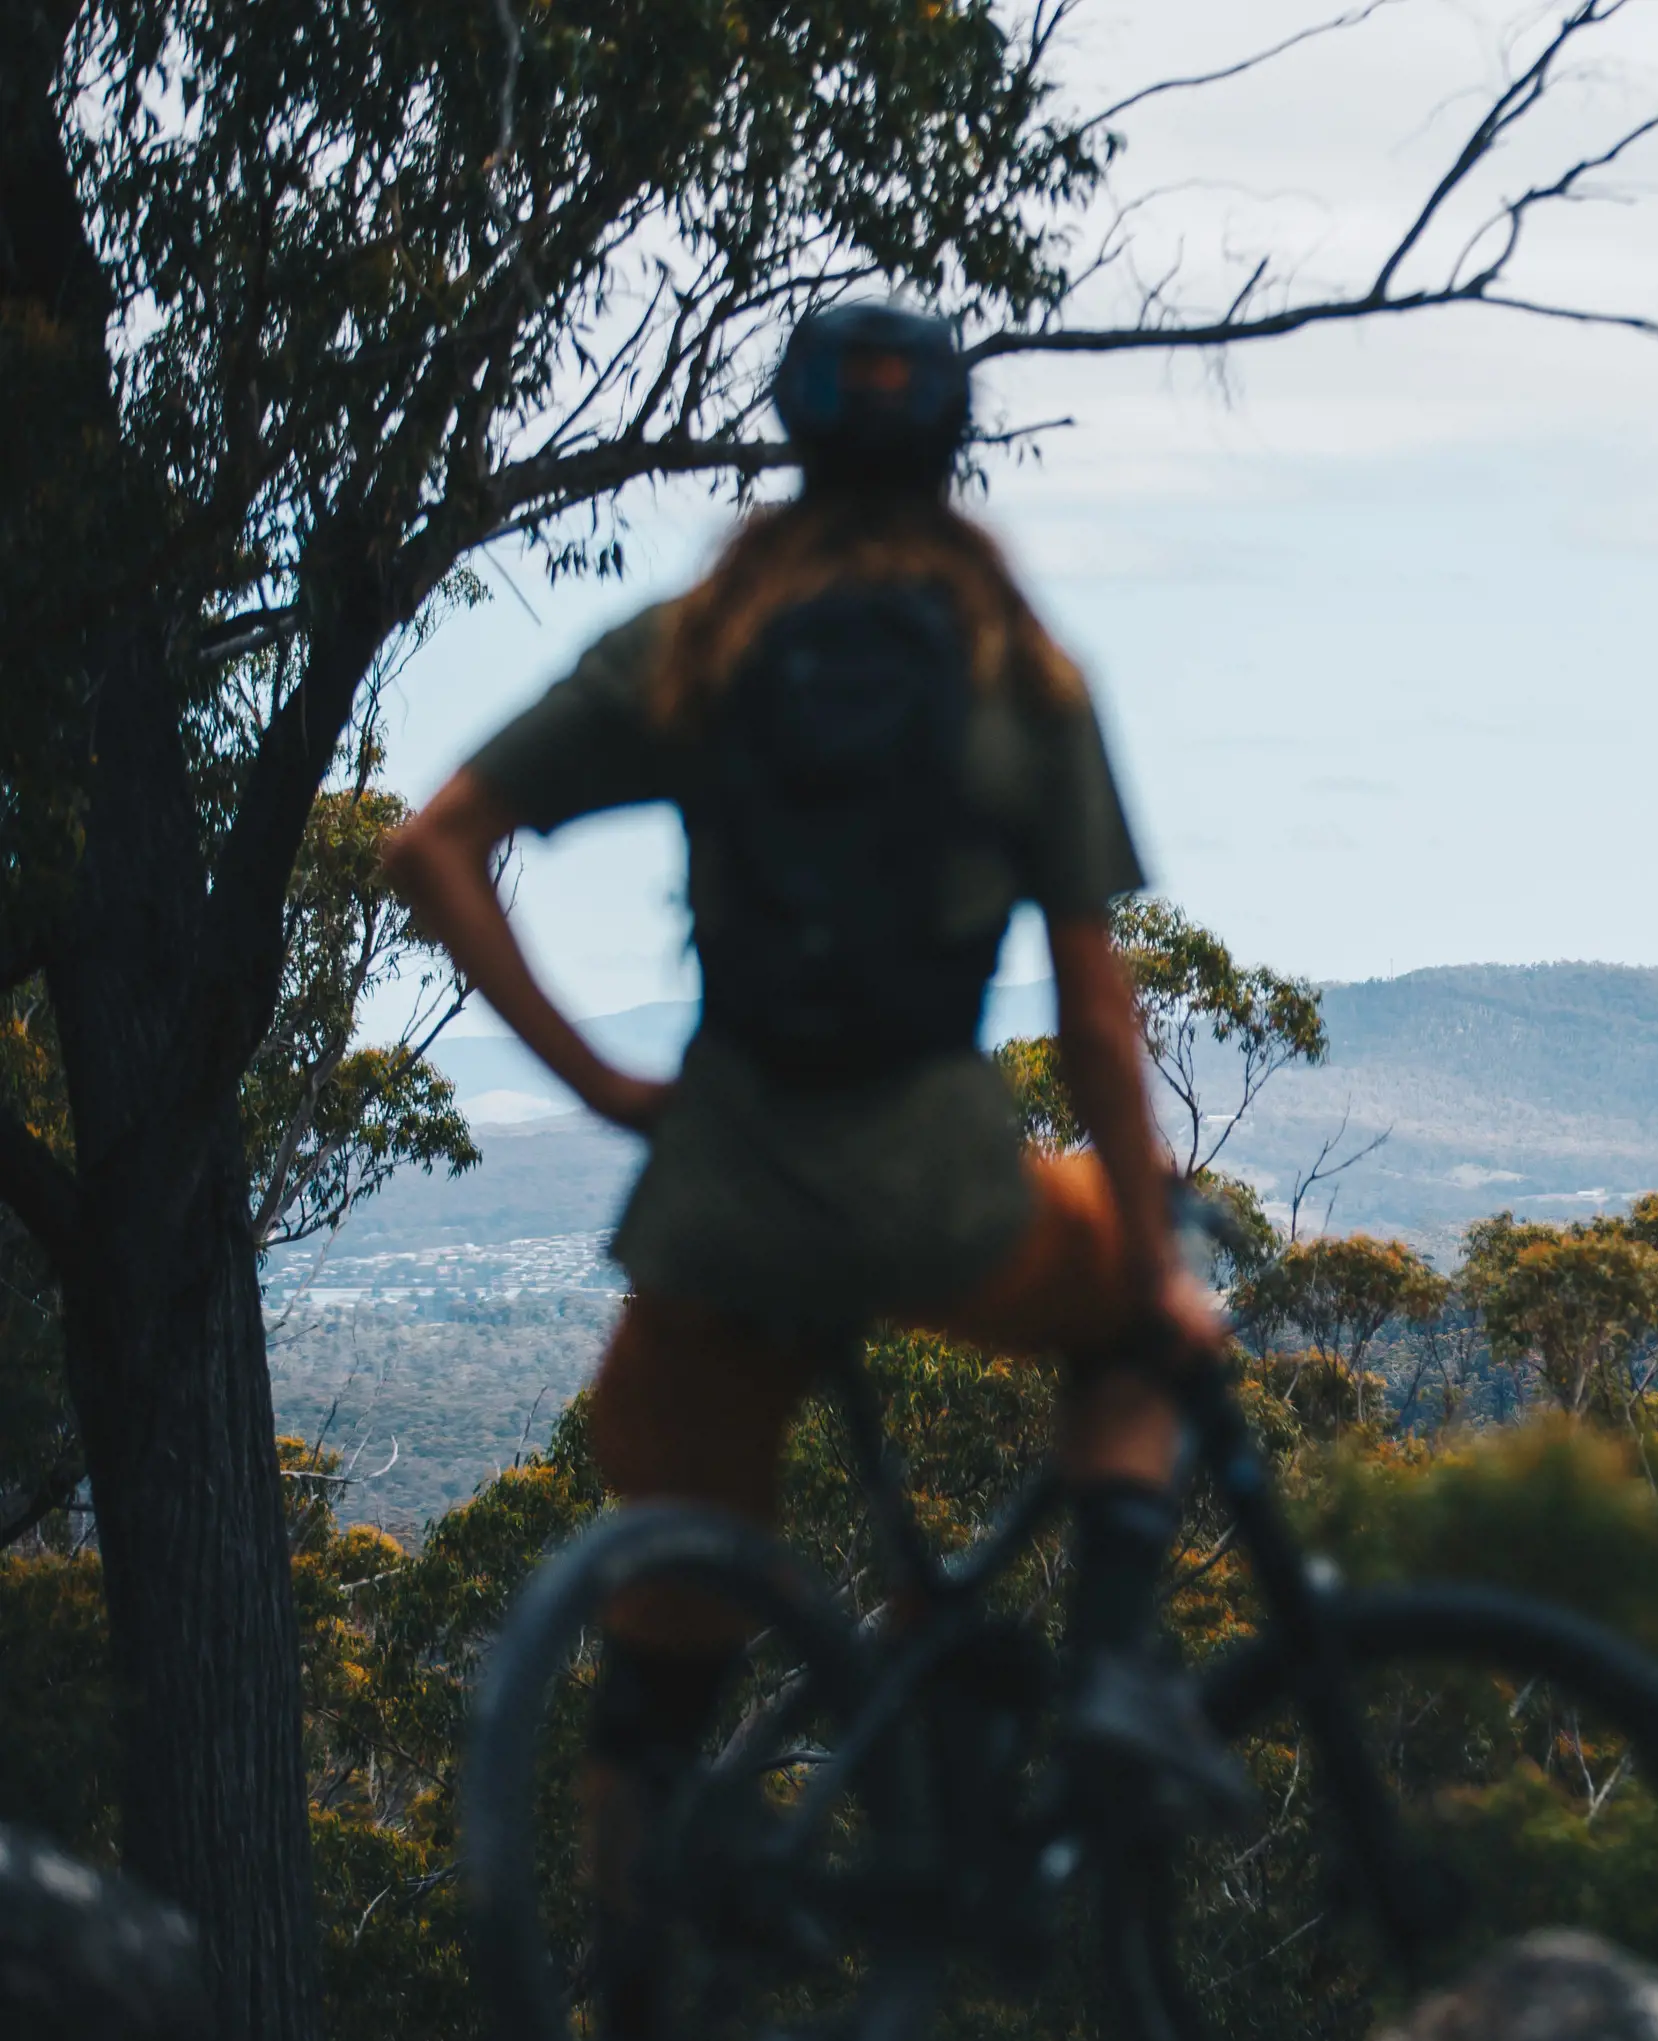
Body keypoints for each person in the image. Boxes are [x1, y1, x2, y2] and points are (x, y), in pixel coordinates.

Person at [382, 304, 1256, 1910]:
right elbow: (1094, 1014)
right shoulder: (1022, 675)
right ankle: (1121, 1680)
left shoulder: (691, 652)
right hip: (948, 1199)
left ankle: (627, 1984)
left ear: (792, 446)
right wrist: (1142, 1255)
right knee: (1152, 1307)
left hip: (720, 1206)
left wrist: (595, 1082)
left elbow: (432, 845)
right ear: (951, 456)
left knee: (669, 1621)